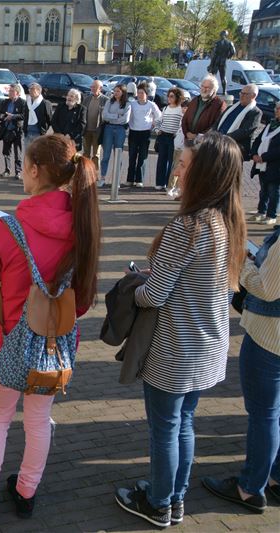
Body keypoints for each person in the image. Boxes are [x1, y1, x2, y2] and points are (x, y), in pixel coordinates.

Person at [0, 135, 101, 525]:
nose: (22, 174)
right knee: (38, 420)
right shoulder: (83, 227)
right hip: (54, 345)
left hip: (5, 339)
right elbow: (85, 297)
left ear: (36, 170)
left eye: (24, 166)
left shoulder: (6, 229)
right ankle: (26, 491)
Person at [114, 133, 247, 528]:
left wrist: (133, 287)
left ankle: (157, 502)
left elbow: (155, 297)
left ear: (204, 174)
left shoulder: (186, 226)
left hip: (175, 349)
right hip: (208, 347)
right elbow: (197, 282)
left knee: (165, 430)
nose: (177, 170)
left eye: (184, 165)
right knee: (184, 424)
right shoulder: (229, 222)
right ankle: (174, 498)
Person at [202, 226, 280, 514]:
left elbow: (267, 288)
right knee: (273, 414)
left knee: (265, 416)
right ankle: (275, 477)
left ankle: (250, 488)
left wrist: (243, 263)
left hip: (270, 336)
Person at [249, 101, 280, 225]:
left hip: (275, 166)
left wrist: (264, 157)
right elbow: (258, 140)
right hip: (262, 165)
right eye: (276, 108)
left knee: (274, 191)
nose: (276, 110)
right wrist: (254, 153)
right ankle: (261, 211)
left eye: (279, 109)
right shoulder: (270, 124)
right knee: (263, 190)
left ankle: (271, 215)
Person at [126, 83, 161, 187]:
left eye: (142, 93)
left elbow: (159, 116)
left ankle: (139, 180)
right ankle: (130, 179)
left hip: (145, 133)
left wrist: (153, 124)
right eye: (139, 93)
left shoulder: (151, 105)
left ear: (147, 94)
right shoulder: (132, 104)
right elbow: (128, 116)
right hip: (133, 132)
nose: (140, 95)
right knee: (132, 156)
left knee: (142, 157)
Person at [216, 83, 262, 161]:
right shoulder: (231, 108)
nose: (241, 95)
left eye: (245, 94)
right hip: (218, 143)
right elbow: (217, 122)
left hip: (234, 149)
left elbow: (245, 131)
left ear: (253, 96)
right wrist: (213, 134)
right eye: (241, 93)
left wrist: (223, 138)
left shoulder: (256, 112)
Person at [99, 84, 132, 187]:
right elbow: (105, 115)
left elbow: (125, 119)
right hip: (108, 128)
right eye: (115, 91)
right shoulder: (110, 101)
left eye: (118, 91)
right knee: (106, 155)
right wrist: (117, 116)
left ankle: (116, 180)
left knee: (118, 155)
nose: (116, 93)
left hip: (120, 129)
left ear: (123, 92)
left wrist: (112, 116)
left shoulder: (127, 104)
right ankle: (103, 177)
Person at [154, 88, 185, 191]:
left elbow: (182, 123)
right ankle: (159, 183)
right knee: (161, 160)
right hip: (163, 136)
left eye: (171, 96)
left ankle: (169, 184)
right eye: (168, 96)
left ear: (177, 97)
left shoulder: (181, 109)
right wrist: (157, 130)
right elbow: (158, 121)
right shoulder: (165, 108)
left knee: (172, 162)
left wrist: (177, 134)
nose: (169, 98)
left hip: (173, 138)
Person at [181, 74, 226, 147]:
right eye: (202, 86)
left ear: (214, 89)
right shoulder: (195, 100)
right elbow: (185, 119)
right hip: (188, 140)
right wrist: (186, 133)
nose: (204, 89)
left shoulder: (219, 104)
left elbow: (216, 125)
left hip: (205, 144)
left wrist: (198, 136)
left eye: (207, 87)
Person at [0, 83, 26, 179]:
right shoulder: (5, 102)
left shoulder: (22, 103)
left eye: (11, 91)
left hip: (17, 131)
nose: (9, 92)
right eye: (9, 91)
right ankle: (7, 170)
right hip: (6, 130)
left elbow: (24, 116)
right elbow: (0, 113)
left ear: (17, 93)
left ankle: (18, 172)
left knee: (18, 152)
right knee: (6, 151)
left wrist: (13, 116)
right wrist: (2, 116)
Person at [82, 80, 109, 171]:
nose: (92, 89)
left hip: (98, 131)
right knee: (85, 153)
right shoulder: (87, 99)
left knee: (96, 154)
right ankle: (85, 172)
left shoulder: (106, 100)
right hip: (86, 130)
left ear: (100, 88)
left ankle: (94, 173)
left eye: (94, 87)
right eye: (91, 87)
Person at [25, 83, 51, 151]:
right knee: (28, 155)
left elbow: (49, 119)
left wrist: (44, 129)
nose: (29, 91)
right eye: (29, 89)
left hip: (38, 134)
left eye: (32, 89)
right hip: (28, 133)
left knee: (38, 155)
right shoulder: (27, 102)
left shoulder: (45, 103)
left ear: (38, 91)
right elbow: (25, 116)